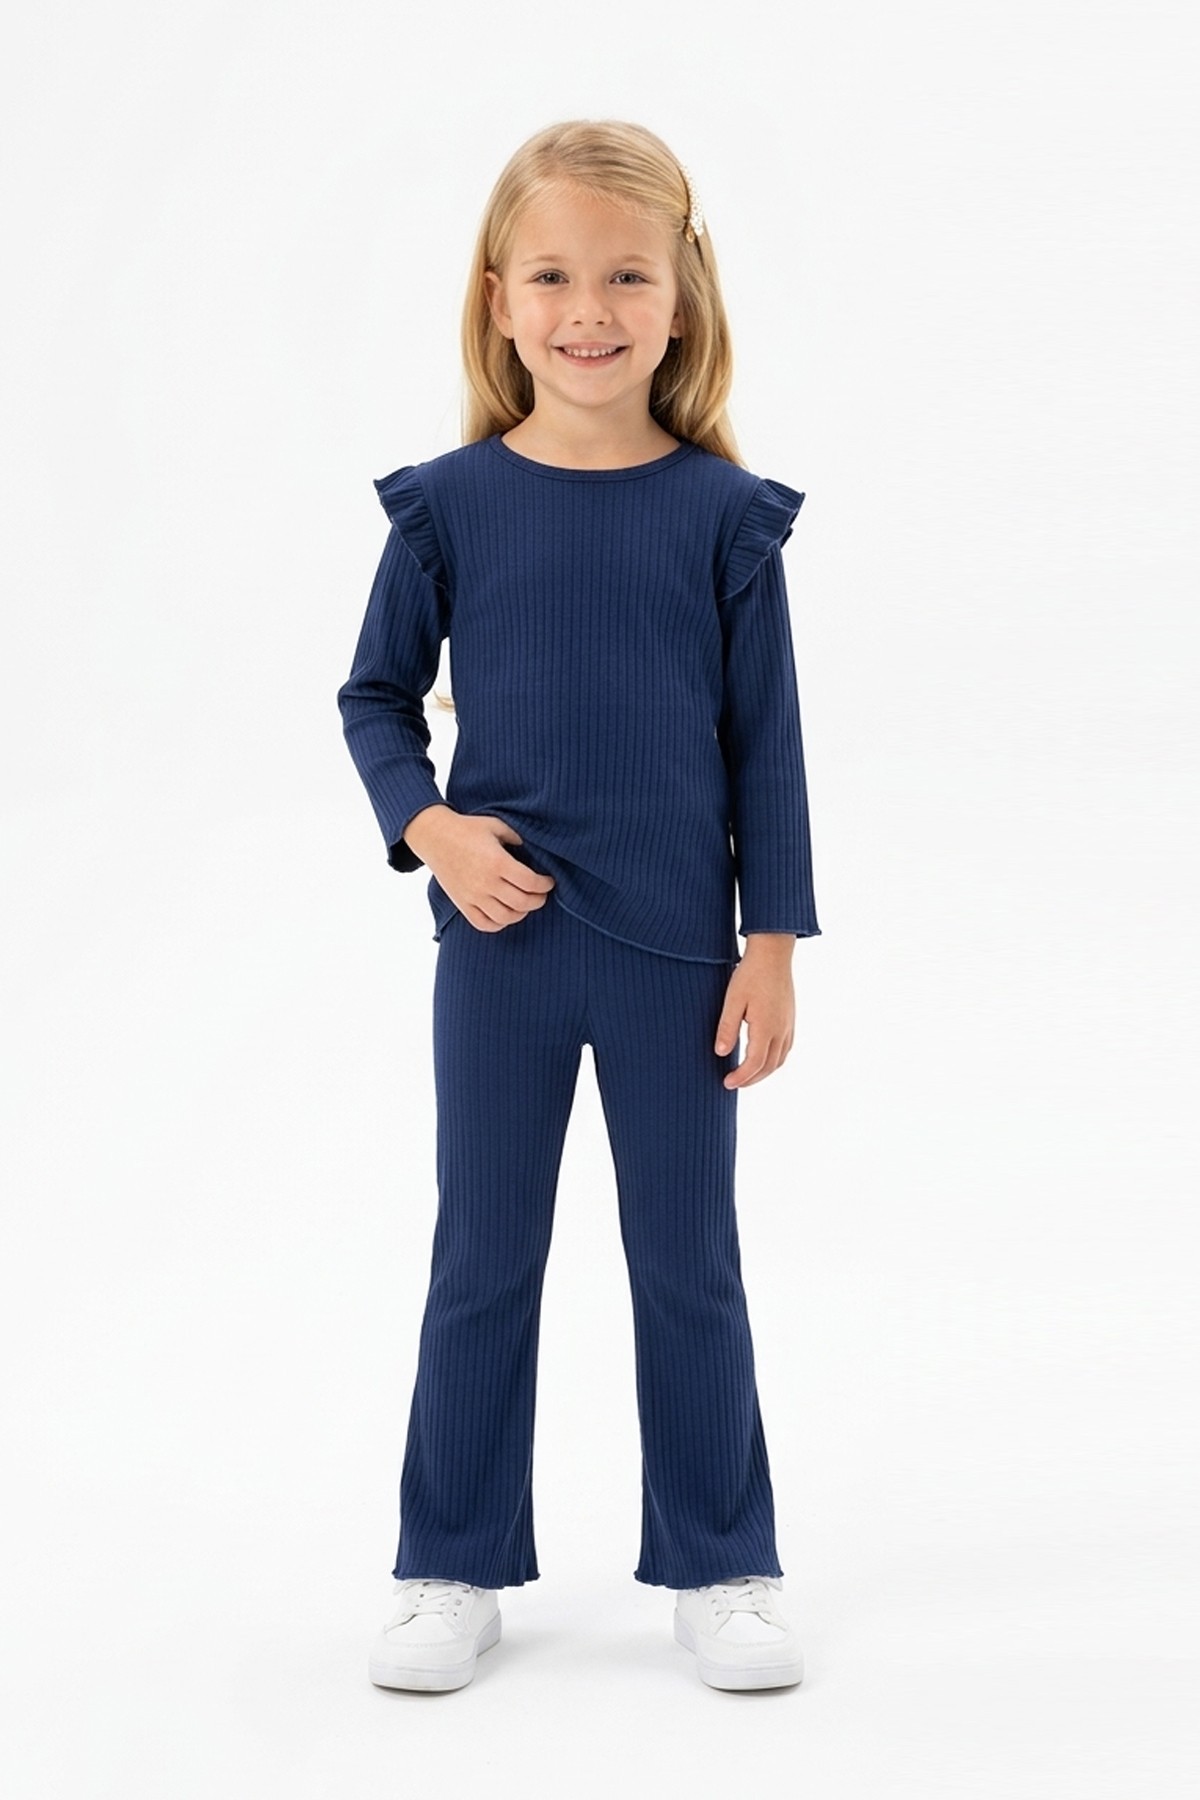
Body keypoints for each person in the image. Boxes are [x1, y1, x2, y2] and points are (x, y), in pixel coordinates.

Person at [337, 119, 821, 1695]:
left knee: (688, 1260)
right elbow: (373, 698)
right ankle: (450, 1563)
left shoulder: (725, 518)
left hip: (680, 958)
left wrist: (771, 950)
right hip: (501, 951)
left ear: (681, 302)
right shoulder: (449, 508)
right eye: (551, 276)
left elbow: (767, 749)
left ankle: (725, 1562)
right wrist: (432, 830)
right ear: (498, 298)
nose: (588, 310)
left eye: (625, 277)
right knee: (483, 1257)